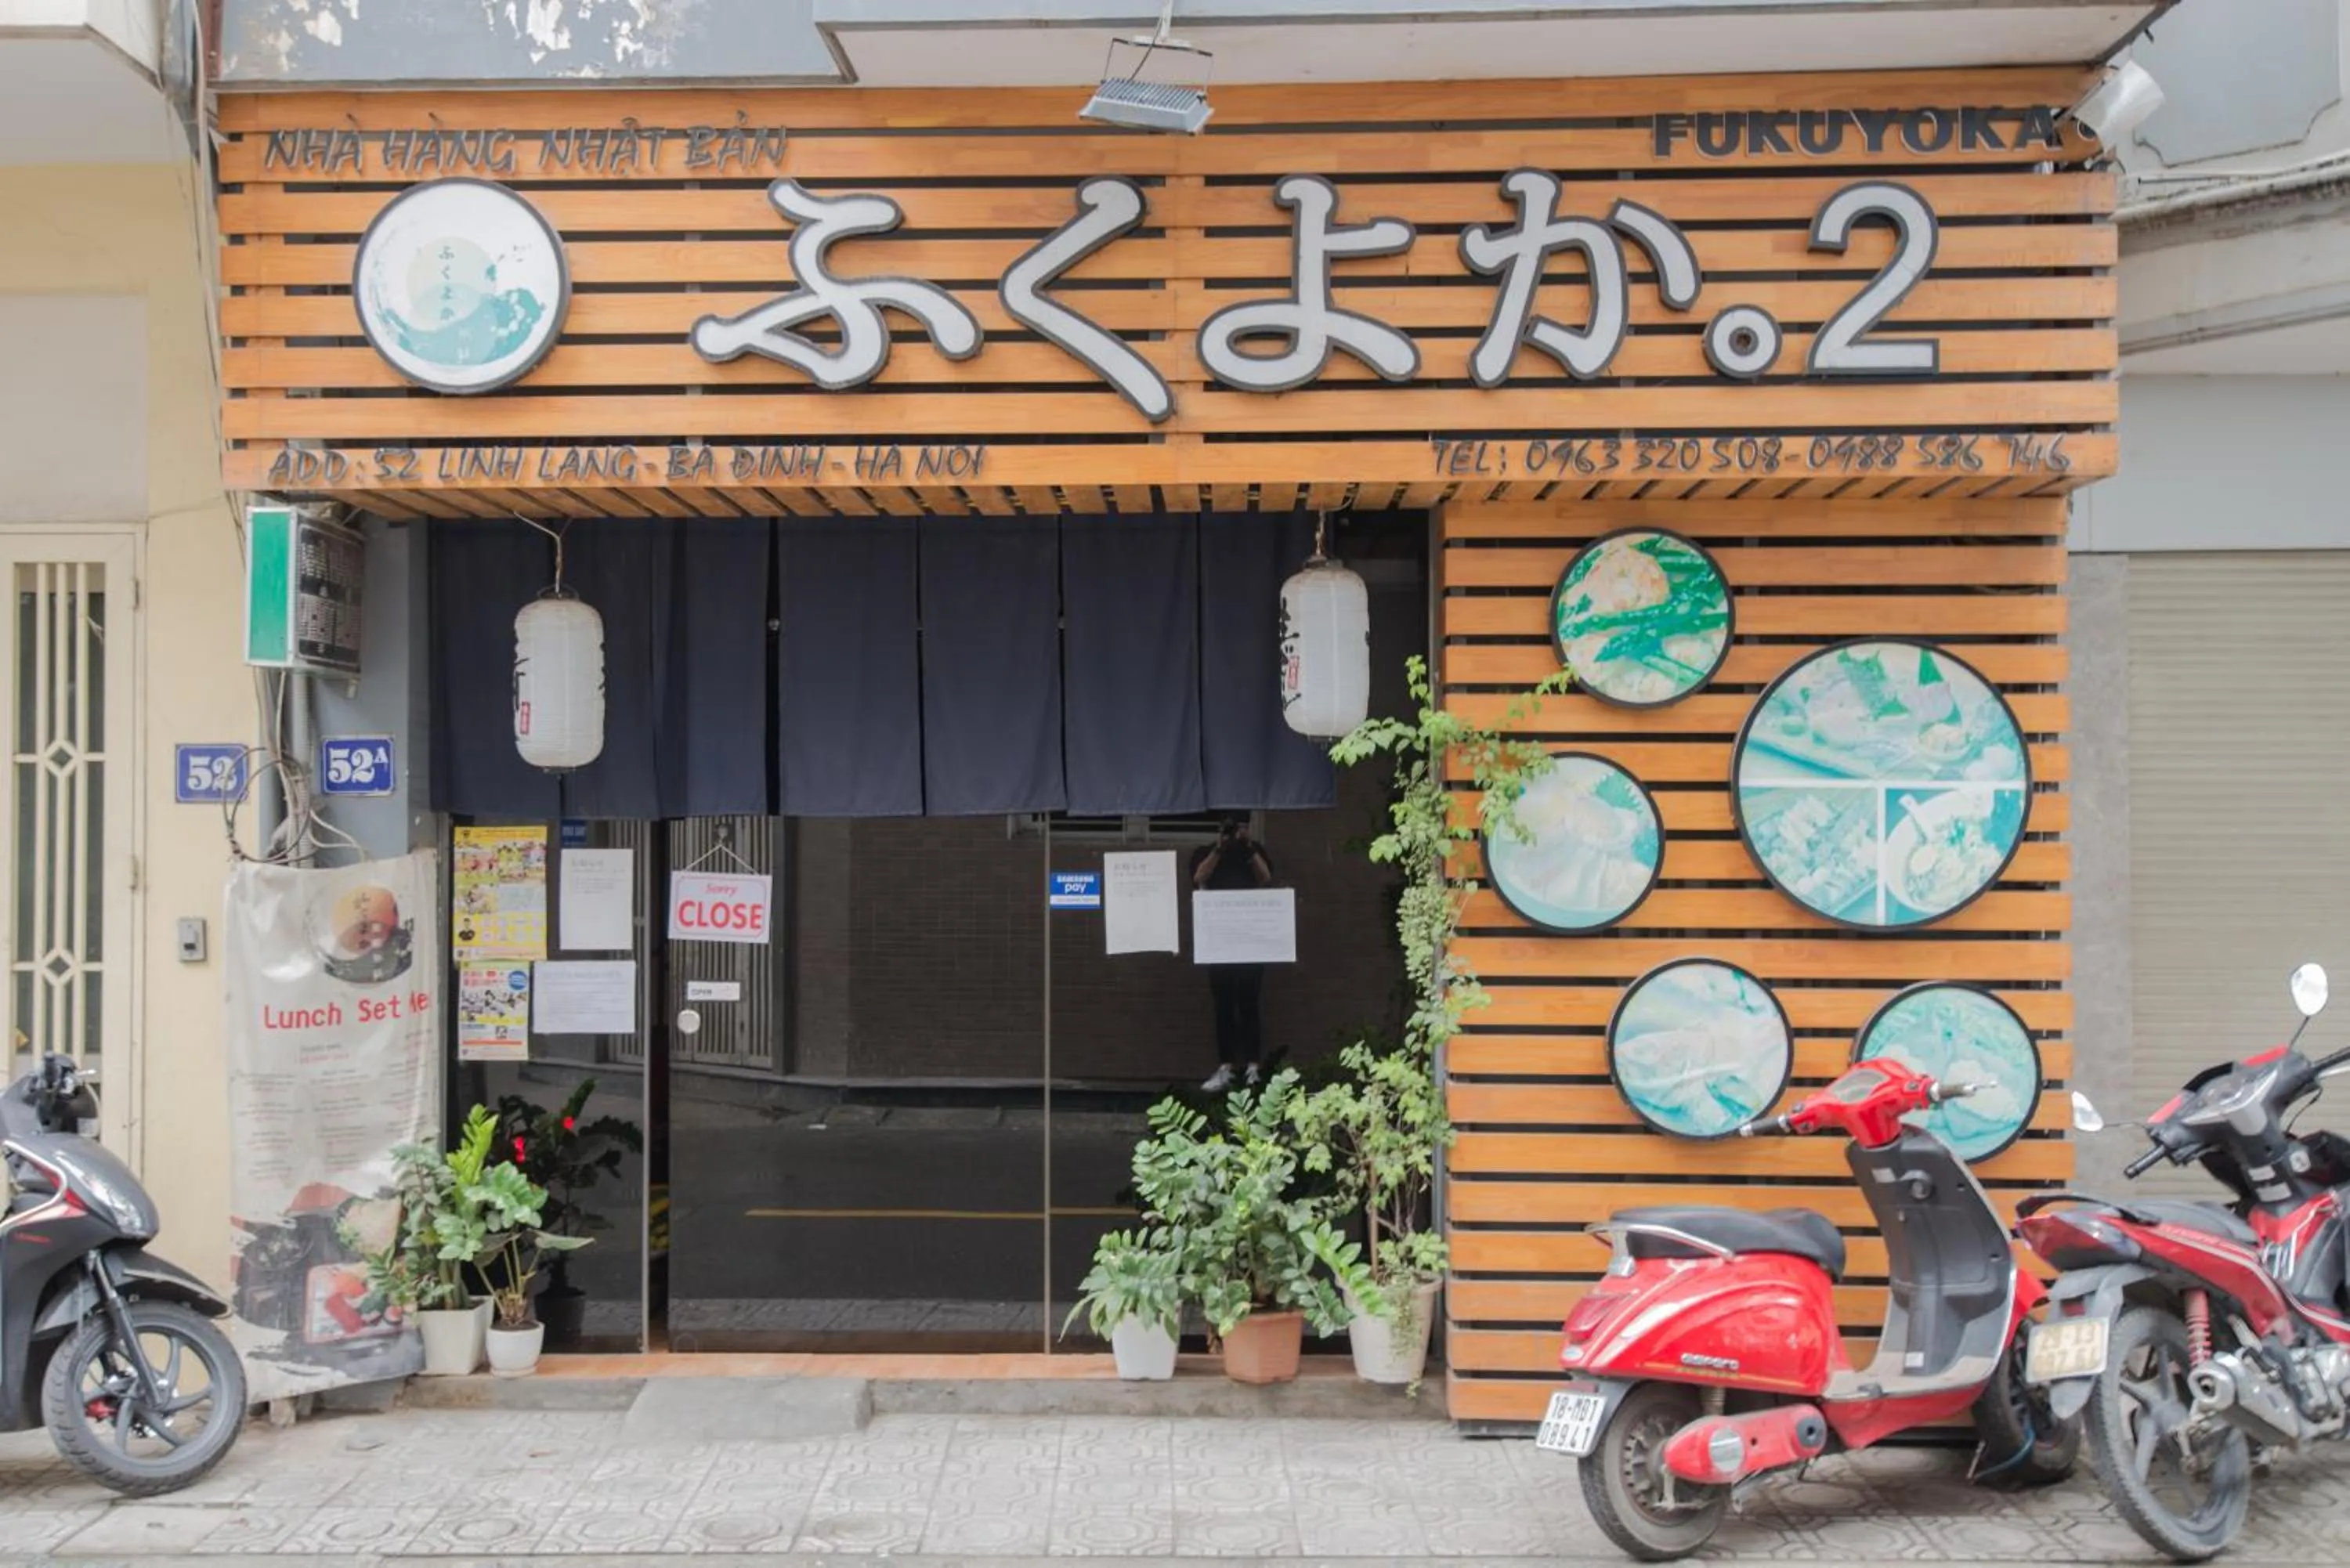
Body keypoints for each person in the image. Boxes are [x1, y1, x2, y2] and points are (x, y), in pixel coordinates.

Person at [1191, 815, 1274, 1092]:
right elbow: (1199, 877)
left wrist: (1248, 847)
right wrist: (1219, 848)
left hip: (1250, 938)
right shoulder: (1206, 852)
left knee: (1250, 1001)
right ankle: (1226, 1066)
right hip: (1218, 939)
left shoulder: (1254, 851)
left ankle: (1253, 1067)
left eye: (1239, 826)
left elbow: (1266, 878)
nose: (1234, 832)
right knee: (1223, 1004)